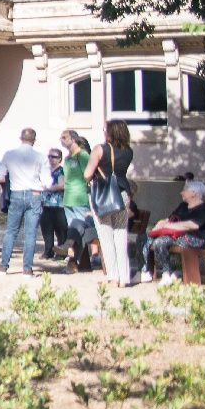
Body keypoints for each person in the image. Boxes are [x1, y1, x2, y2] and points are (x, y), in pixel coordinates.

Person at [85, 120, 135, 287]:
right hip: (123, 193)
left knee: (106, 236)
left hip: (104, 194)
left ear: (110, 132)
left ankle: (113, 277)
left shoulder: (100, 149)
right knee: (121, 234)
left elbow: (87, 174)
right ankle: (125, 277)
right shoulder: (128, 151)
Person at [0, 128, 48, 275]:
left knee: (11, 231)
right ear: (34, 140)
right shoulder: (41, 157)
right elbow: (47, 181)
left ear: (20, 138)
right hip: (34, 194)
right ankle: (27, 269)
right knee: (30, 234)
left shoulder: (9, 155)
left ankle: (3, 266)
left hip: (16, 193)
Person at [145, 179, 205, 285]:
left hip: (193, 239)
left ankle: (166, 274)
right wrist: (160, 224)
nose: (181, 192)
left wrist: (170, 226)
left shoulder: (204, 210)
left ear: (194, 193)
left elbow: (192, 225)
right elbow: (170, 219)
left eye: (185, 190)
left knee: (160, 242)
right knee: (150, 239)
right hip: (177, 237)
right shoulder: (183, 206)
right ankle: (152, 272)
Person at [38, 147, 69, 261]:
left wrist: (49, 188)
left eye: (54, 157)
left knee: (60, 230)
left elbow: (62, 185)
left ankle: (61, 252)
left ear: (60, 158)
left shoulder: (61, 170)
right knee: (46, 230)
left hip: (58, 205)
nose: (51, 159)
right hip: (46, 204)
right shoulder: (45, 170)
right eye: (49, 156)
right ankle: (48, 251)